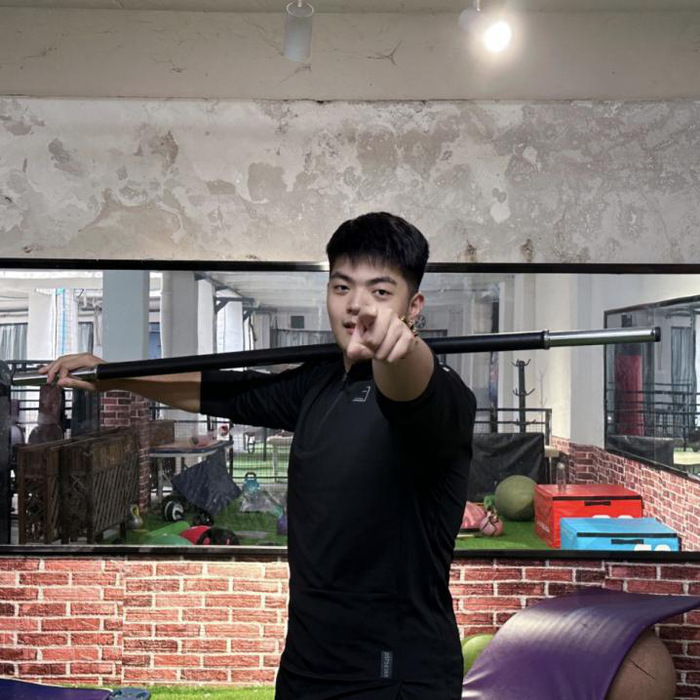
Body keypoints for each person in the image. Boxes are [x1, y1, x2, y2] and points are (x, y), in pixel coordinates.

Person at [41, 212, 477, 699]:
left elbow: (409, 388)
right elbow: (227, 390)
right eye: (342, 287)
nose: (357, 305)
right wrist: (114, 373)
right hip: (307, 666)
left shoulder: (443, 395)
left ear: (412, 307)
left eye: (379, 291)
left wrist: (403, 350)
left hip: (395, 677)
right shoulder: (319, 383)